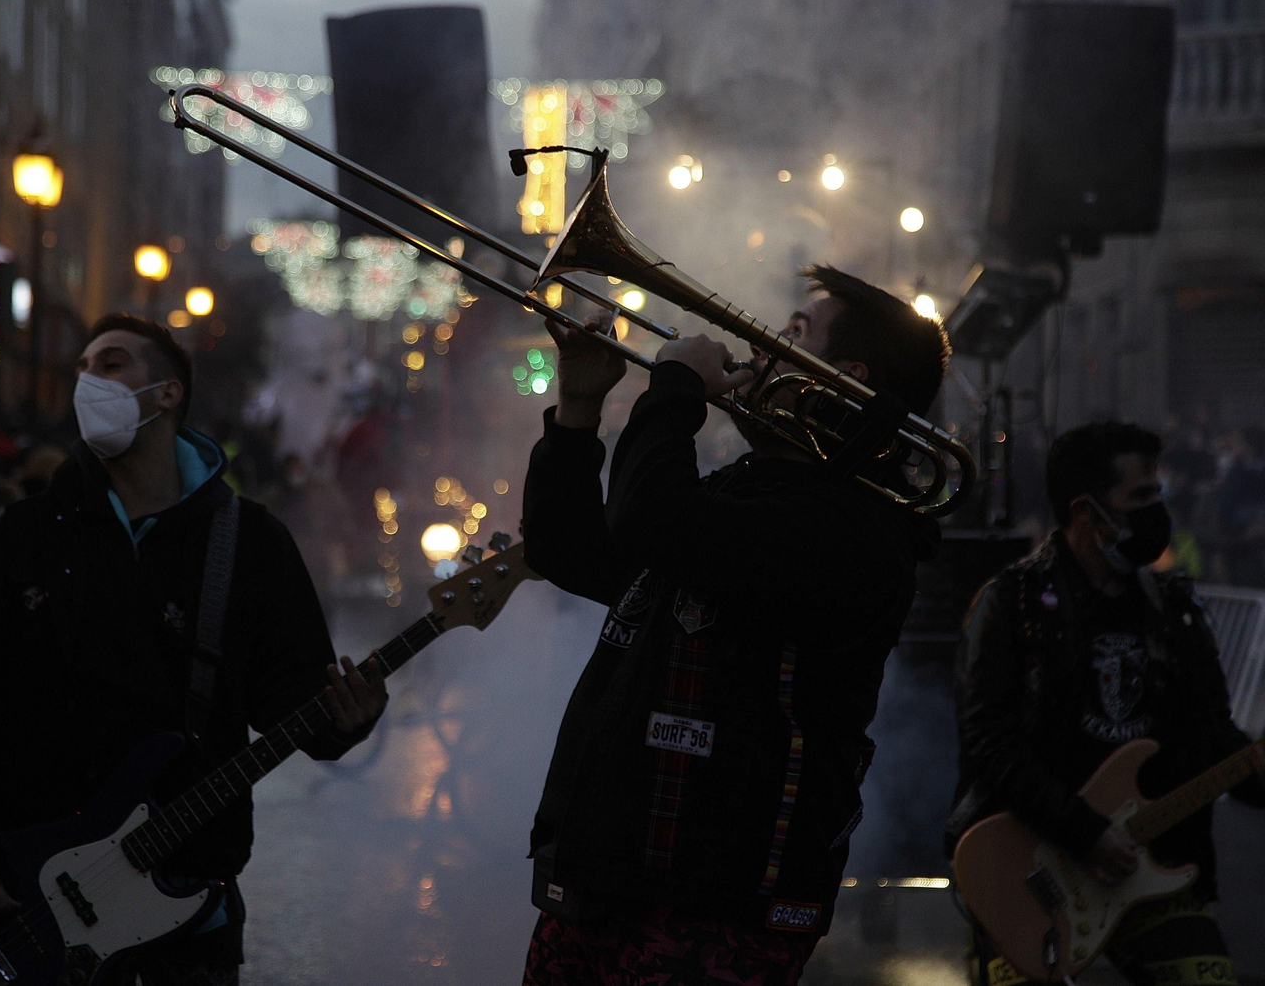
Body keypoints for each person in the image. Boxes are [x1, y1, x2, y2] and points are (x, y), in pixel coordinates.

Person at [0, 314, 388, 986]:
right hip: (36, 890)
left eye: (110, 364)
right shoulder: (26, 536)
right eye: (81, 368)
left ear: (168, 392)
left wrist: (349, 716)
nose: (89, 381)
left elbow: (291, 701)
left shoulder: (250, 540)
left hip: (190, 903)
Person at [520, 266, 948, 985]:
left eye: (793, 334)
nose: (760, 346)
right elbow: (571, 552)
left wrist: (675, 392)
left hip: (713, 904)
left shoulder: (850, 530)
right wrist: (577, 409)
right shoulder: (747, 491)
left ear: (842, 377)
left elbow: (654, 519)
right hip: (607, 877)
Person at [948, 421, 1265, 986]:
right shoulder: (1011, 605)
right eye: (1140, 497)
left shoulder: (1175, 609)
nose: (1158, 509)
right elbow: (989, 744)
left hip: (1153, 873)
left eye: (1158, 492)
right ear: (1087, 512)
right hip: (1029, 874)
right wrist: (1083, 831)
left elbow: (1216, 738)